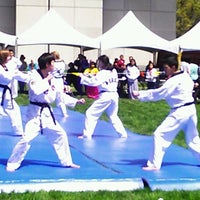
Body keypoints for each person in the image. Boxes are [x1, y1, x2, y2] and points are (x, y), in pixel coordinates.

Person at [6, 52, 85, 172]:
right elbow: (36, 90)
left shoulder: (52, 78)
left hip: (47, 114)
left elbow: (59, 95)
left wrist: (75, 101)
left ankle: (67, 162)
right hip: (34, 113)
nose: (54, 64)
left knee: (61, 135)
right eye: (53, 62)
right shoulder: (34, 75)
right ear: (47, 64)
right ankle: (12, 163)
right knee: (26, 139)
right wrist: (46, 80)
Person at [132, 56, 200, 171]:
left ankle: (154, 164)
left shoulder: (174, 81)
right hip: (191, 110)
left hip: (180, 111)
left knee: (160, 134)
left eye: (166, 67)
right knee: (193, 139)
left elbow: (159, 94)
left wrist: (140, 94)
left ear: (173, 67)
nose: (165, 70)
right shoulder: (186, 76)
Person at [78, 55, 127, 139]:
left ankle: (87, 134)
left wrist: (82, 77)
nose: (98, 64)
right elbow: (98, 78)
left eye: (99, 62)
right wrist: (88, 75)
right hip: (114, 95)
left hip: (106, 96)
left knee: (90, 113)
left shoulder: (103, 73)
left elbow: (94, 82)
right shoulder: (113, 71)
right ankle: (123, 134)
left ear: (102, 62)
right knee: (113, 115)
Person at [0, 49, 29, 135]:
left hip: (6, 93)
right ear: (4, 57)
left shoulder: (7, 67)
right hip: (2, 91)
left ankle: (18, 131)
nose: (10, 57)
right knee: (12, 110)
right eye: (8, 56)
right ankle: (18, 131)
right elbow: (6, 77)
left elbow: (19, 75)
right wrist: (14, 72)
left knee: (14, 109)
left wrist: (30, 77)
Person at [51, 51, 68, 117]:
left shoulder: (53, 63)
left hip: (54, 80)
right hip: (60, 80)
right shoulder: (63, 63)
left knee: (50, 95)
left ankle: (48, 111)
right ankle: (64, 113)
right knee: (60, 97)